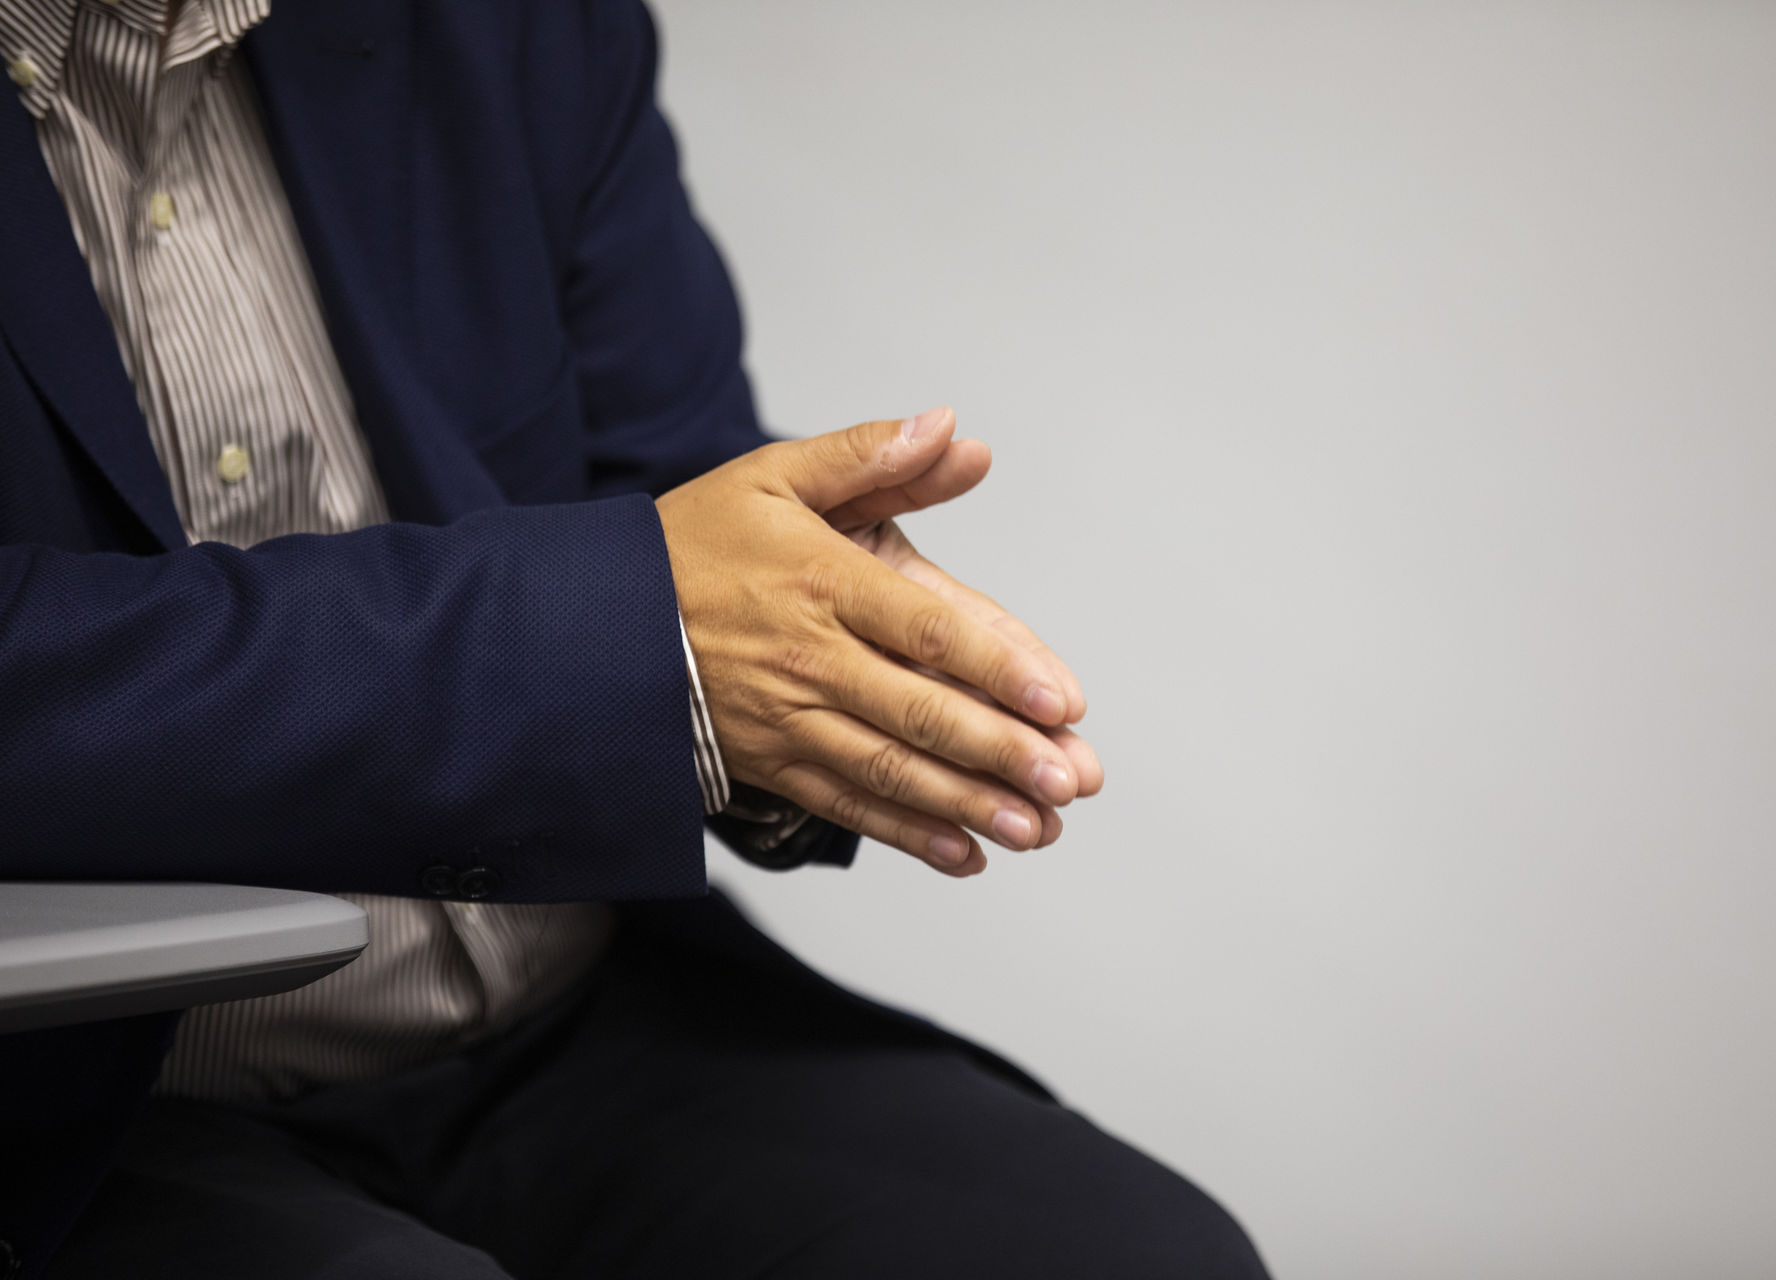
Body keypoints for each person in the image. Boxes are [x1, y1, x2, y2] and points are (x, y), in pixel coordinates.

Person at [0, 1, 1270, 1275]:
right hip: (84, 1099)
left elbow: (679, 491)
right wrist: (633, 637)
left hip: (579, 1013)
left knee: (1145, 1256)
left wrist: (808, 664)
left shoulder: (525, 27)